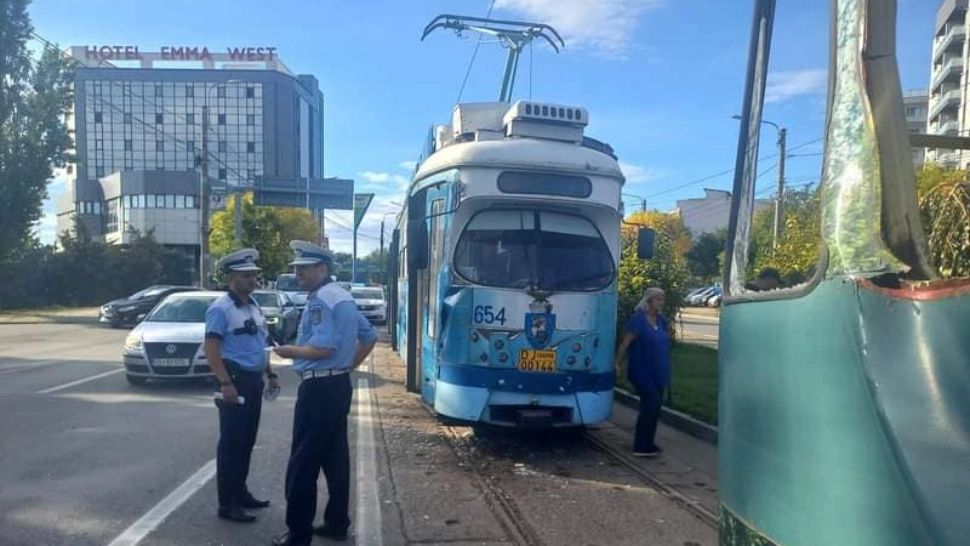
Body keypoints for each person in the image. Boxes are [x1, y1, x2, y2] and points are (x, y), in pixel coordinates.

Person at [272, 241, 377, 546]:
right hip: (337, 385)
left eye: (304, 268)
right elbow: (368, 336)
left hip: (318, 388)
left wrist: (289, 351)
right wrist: (346, 367)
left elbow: (323, 347)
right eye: (296, 268)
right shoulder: (342, 296)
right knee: (335, 459)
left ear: (322, 269)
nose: (298, 273)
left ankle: (298, 534)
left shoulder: (321, 300)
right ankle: (336, 523)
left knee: (302, 463)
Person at [203, 248, 280, 523]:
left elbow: (261, 344)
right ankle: (227, 504)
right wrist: (225, 383)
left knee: (246, 442)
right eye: (246, 276)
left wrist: (270, 373)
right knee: (231, 445)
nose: (252, 280)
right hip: (233, 380)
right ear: (231, 278)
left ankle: (241, 493)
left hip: (252, 380)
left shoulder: (253, 306)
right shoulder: (221, 309)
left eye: (254, 276)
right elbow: (211, 348)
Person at [613, 287, 673, 457]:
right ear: (648, 301)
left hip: (659, 371)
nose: (661, 302)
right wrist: (617, 362)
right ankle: (641, 445)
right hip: (642, 371)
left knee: (654, 408)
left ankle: (648, 443)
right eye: (658, 299)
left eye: (662, 299)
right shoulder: (638, 320)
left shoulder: (661, 320)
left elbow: (667, 337)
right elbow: (626, 342)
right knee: (650, 404)